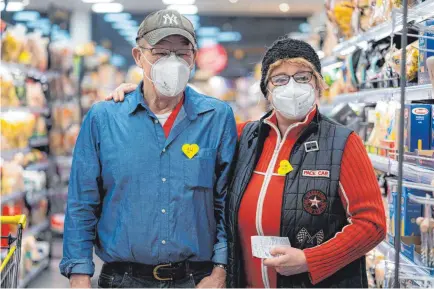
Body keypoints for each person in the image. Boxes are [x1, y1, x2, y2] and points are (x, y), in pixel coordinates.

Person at [108, 37, 386, 288]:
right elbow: (188, 142)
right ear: (267, 88)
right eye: (280, 78)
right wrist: (149, 97)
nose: (292, 86)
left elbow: (371, 224)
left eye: (303, 76)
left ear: (317, 84)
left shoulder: (342, 142)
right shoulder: (244, 136)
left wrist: (309, 260)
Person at [60, 9, 237, 288]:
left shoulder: (216, 118)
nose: (173, 61)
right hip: (123, 279)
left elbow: (227, 201)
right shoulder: (104, 119)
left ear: (194, 57)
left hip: (195, 279)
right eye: (160, 52)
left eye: (182, 52)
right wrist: (79, 275)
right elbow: (82, 202)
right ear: (138, 56)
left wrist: (221, 270)